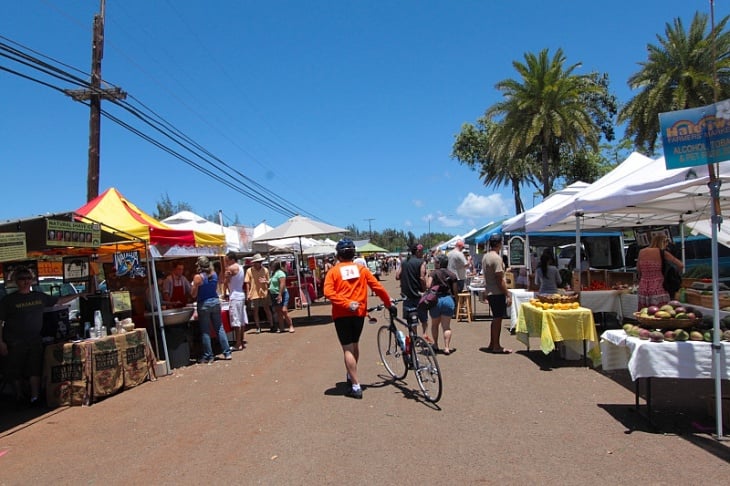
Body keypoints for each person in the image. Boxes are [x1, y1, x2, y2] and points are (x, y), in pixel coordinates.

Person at [324, 238, 394, 399]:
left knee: (347, 348)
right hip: (359, 314)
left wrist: (346, 303)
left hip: (342, 314)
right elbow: (378, 287)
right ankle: (351, 374)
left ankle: (355, 385)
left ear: (338, 255)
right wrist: (388, 304)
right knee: (355, 345)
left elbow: (328, 292)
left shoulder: (333, 271)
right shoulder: (361, 270)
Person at [0, 266, 73, 406]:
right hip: (14, 341)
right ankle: (19, 396)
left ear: (32, 280)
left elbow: (59, 301)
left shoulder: (39, 297)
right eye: (22, 279)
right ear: (16, 281)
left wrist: (79, 295)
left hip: (34, 340)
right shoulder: (8, 301)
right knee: (15, 370)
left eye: (28, 278)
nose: (25, 281)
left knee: (35, 369)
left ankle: (34, 397)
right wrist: (1, 342)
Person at [191, 256, 231, 363]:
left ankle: (209, 355)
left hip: (204, 303)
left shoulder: (198, 277)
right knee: (219, 328)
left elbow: (193, 294)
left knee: (205, 331)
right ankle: (227, 352)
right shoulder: (214, 275)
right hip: (215, 301)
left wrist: (194, 287)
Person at [481, 234, 513, 354]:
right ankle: (496, 346)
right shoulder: (496, 258)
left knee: (495, 318)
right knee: (498, 319)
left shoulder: (486, 257)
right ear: (499, 243)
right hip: (496, 292)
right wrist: (507, 294)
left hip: (490, 290)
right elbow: (499, 279)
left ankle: (492, 343)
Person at [637, 234, 684, 308]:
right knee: (660, 312)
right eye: (666, 244)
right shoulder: (662, 253)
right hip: (658, 287)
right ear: (663, 242)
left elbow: (639, 271)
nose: (666, 246)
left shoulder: (641, 252)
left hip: (643, 287)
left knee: (645, 313)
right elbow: (681, 265)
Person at [395, 242, 429, 341]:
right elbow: (422, 277)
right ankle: (425, 335)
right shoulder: (421, 262)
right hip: (419, 295)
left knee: (412, 319)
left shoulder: (404, 262)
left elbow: (397, 276)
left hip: (407, 296)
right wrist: (425, 289)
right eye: (422, 251)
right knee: (424, 318)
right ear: (418, 251)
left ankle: (414, 337)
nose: (422, 253)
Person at [428, 254, 459, 355]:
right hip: (448, 299)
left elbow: (428, 285)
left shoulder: (433, 273)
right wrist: (456, 301)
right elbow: (455, 291)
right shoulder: (452, 274)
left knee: (435, 324)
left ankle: (436, 345)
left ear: (439, 263)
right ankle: (446, 347)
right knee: (446, 326)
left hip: (436, 299)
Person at [223, 251, 248, 350]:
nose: (226, 262)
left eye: (227, 260)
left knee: (236, 320)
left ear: (232, 260)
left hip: (235, 296)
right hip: (240, 294)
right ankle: (240, 341)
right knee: (241, 320)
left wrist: (225, 292)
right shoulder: (240, 267)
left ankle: (238, 343)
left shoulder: (232, 268)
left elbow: (226, 281)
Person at [244, 254, 273, 333]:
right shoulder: (249, 271)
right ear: (254, 263)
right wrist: (248, 293)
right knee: (255, 311)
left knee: (267, 309)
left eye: (260, 262)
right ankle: (258, 326)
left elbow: (269, 281)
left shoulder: (265, 270)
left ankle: (272, 325)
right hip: (254, 293)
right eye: (258, 262)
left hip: (264, 292)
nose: (260, 263)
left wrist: (265, 282)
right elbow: (247, 283)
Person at [269, 259, 294, 333]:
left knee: (284, 310)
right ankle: (281, 327)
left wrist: (280, 294)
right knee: (278, 311)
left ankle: (290, 325)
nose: (270, 267)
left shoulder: (280, 273)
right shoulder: (273, 273)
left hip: (282, 294)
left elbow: (282, 284)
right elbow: (272, 283)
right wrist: (266, 282)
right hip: (274, 294)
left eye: (271, 266)